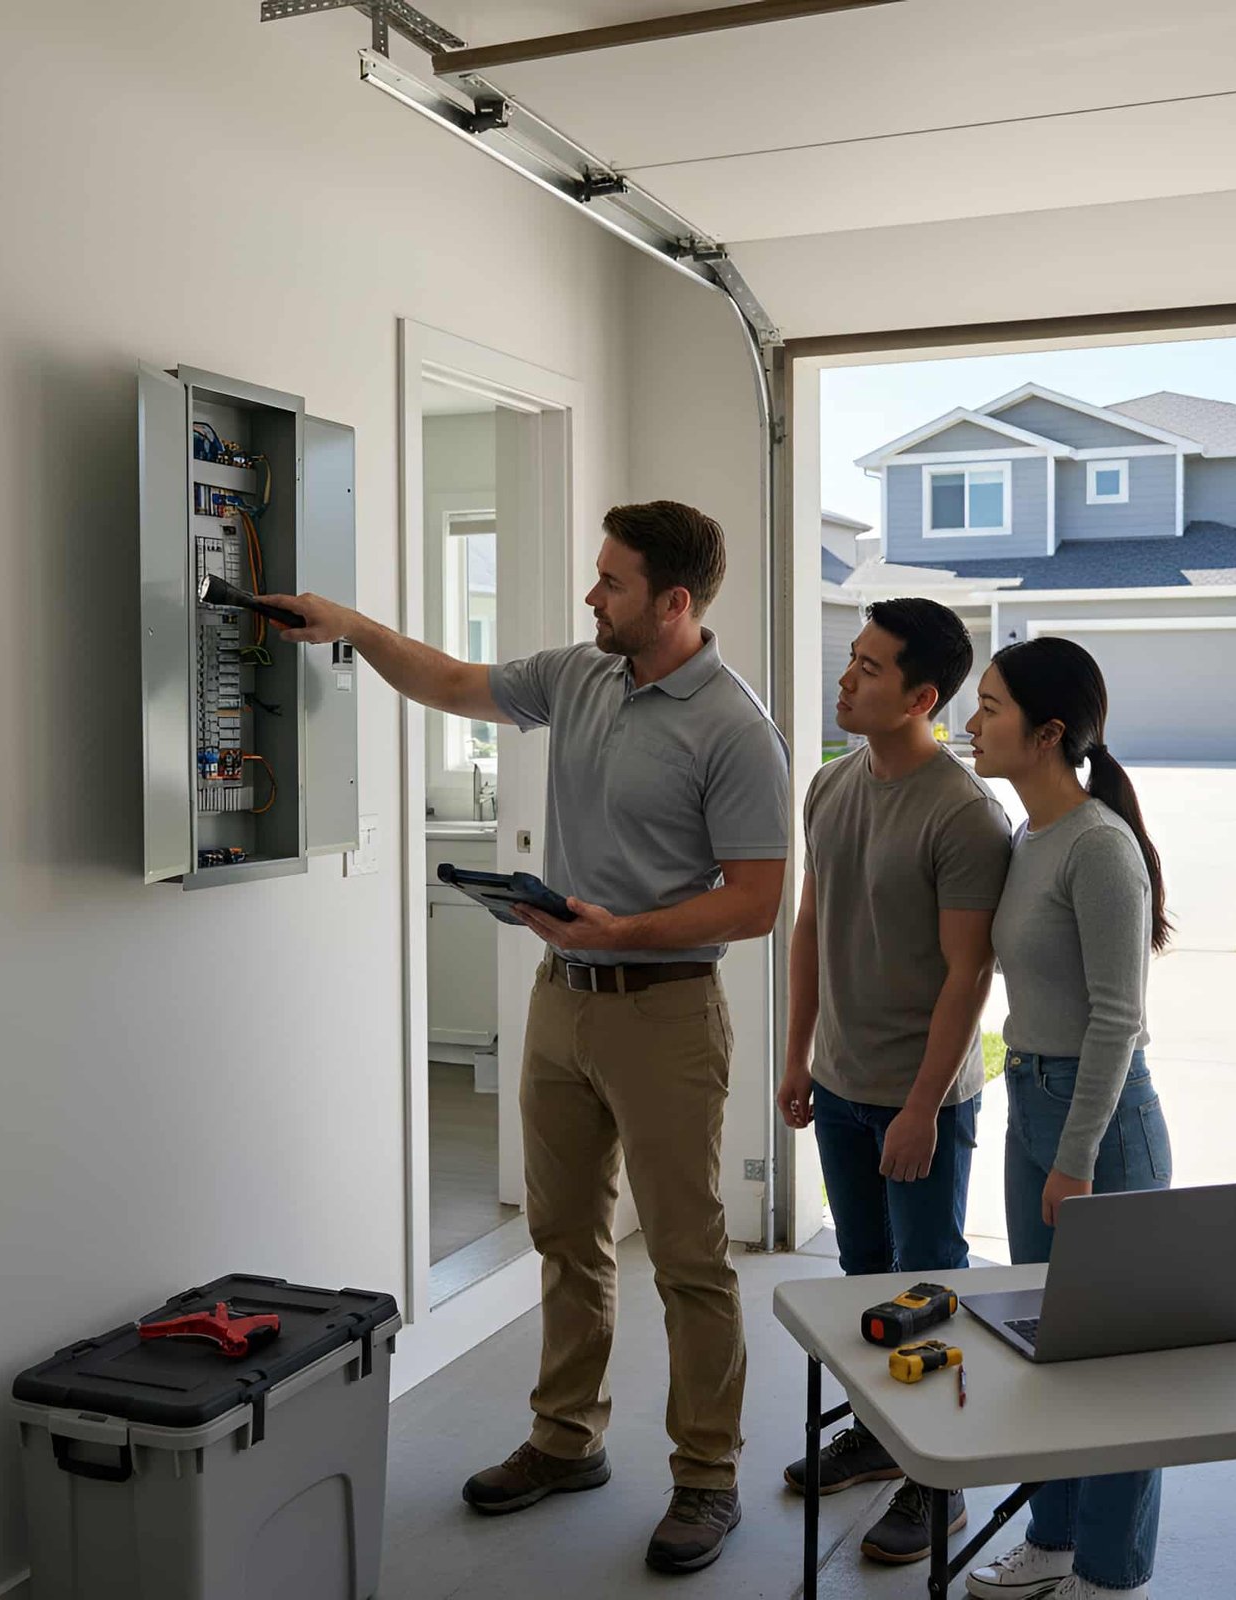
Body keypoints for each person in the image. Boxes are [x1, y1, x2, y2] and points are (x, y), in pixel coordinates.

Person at [268, 501, 790, 1576]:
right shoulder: (580, 673)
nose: (591, 596)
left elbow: (756, 901)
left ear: (675, 602)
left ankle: (706, 1476)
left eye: (612, 582)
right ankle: (566, 1438)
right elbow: (455, 683)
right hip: (561, 1000)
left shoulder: (736, 727)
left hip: (669, 1013)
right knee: (563, 1232)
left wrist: (627, 929)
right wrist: (351, 626)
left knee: (689, 1256)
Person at [777, 599, 1010, 1565]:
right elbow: (811, 928)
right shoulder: (830, 788)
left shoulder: (965, 814)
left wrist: (921, 1106)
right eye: (850, 661)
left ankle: (939, 1483)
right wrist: (796, 1058)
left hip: (924, 1100)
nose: (845, 679)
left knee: (927, 1286)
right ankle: (881, 1437)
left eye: (869, 670)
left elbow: (970, 974)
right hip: (839, 1085)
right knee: (862, 1280)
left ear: (922, 696)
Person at [961, 636, 1173, 1600]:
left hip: (1101, 1123)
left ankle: (1106, 1570)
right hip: (1032, 1100)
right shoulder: (1031, 838)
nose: (972, 721)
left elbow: (1118, 1019)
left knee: (1117, 1364)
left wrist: (1076, 1160)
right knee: (1046, 1343)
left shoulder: (1099, 846)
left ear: (1047, 733)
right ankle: (1050, 1538)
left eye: (991, 705)